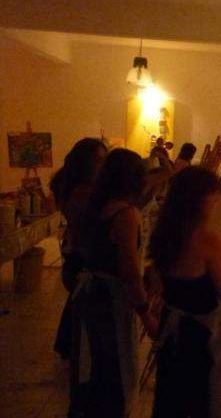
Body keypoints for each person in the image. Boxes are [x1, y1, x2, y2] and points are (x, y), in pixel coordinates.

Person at [147, 166, 221, 417]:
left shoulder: (165, 232)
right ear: (200, 199)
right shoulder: (206, 240)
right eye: (214, 194)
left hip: (171, 333)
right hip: (200, 338)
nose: (218, 200)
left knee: (172, 403)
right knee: (203, 404)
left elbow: (158, 283)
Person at [70, 148, 159, 418]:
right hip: (110, 301)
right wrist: (146, 313)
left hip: (89, 296)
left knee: (94, 369)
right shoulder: (126, 214)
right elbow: (129, 270)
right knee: (114, 372)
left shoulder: (94, 206)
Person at [50, 138, 107, 359]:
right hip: (79, 254)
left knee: (77, 304)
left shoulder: (74, 186)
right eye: (99, 160)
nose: (103, 164)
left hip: (75, 251)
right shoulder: (82, 192)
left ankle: (68, 348)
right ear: (86, 162)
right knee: (82, 304)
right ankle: (74, 351)